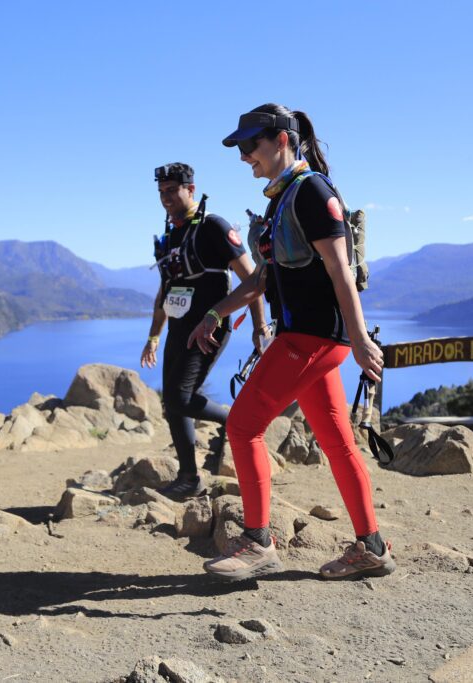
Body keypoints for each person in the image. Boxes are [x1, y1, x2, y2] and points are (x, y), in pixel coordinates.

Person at [187, 105, 396, 581]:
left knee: (242, 427)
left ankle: (258, 542)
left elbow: (341, 270)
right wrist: (216, 311)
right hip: (313, 338)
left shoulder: (311, 193)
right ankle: (372, 547)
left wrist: (360, 339)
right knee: (338, 441)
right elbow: (263, 278)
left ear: (282, 140)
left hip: (313, 338)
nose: (244, 157)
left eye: (250, 146)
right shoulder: (282, 199)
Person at [142, 162, 269, 500]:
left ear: (191, 189)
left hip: (211, 326)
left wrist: (259, 327)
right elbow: (165, 291)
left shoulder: (213, 227)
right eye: (161, 192)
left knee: (182, 398)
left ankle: (234, 419)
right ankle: (188, 478)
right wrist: (154, 335)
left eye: (173, 191)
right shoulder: (171, 235)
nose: (166, 198)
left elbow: (253, 280)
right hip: (181, 325)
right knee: (172, 401)